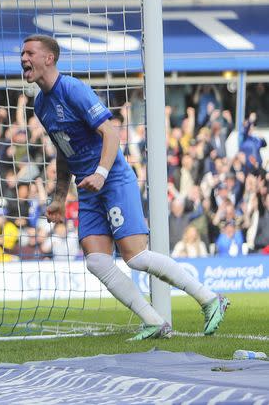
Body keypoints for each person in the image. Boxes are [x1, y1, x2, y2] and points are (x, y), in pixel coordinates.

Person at [20, 34, 228, 340]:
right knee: (96, 260)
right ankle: (154, 321)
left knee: (136, 256)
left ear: (48, 58)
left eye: (29, 53)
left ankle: (210, 298)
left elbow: (111, 134)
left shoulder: (73, 89)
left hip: (112, 178)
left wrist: (102, 173)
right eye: (22, 53)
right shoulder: (40, 104)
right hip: (88, 187)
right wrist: (59, 198)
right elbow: (63, 152)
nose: (23, 58)